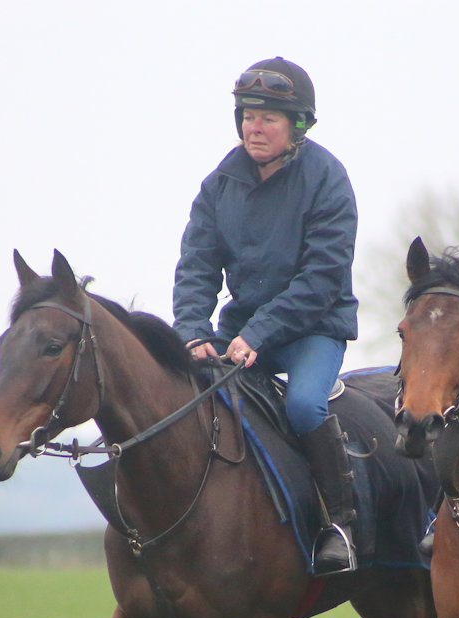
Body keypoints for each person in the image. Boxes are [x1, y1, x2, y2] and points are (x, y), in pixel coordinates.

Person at [172, 57, 361, 574]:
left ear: (298, 125)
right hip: (241, 333)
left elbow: (321, 279)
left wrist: (259, 332)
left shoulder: (327, 178)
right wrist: (192, 332)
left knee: (303, 407)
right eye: (249, 116)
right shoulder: (218, 184)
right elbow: (196, 268)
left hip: (312, 330)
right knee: (190, 400)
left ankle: (340, 526)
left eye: (269, 118)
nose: (254, 127)